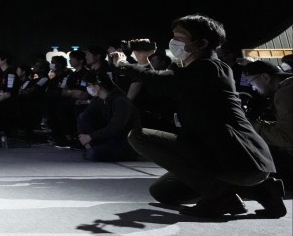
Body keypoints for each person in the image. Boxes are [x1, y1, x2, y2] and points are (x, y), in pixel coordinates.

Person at [115, 14, 284, 219]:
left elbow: (163, 82)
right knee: (163, 192)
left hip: (236, 158)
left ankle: (222, 197)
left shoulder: (210, 67)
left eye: (180, 38)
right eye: (173, 37)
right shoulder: (195, 72)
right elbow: (163, 85)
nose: (174, 42)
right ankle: (262, 191)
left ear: (202, 43)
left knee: (139, 136)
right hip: (221, 158)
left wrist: (124, 64)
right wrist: (143, 60)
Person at [242, 60, 293, 186]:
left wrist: (251, 126)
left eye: (251, 82)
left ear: (265, 77)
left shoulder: (284, 94)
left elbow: (288, 137)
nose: (253, 88)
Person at [76, 72, 140, 162]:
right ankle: (93, 148)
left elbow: (115, 128)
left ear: (98, 86)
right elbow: (83, 117)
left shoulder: (120, 101)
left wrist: (90, 137)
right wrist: (86, 141)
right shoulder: (98, 100)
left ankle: (96, 149)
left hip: (125, 141)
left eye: (90, 85)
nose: (88, 88)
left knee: (94, 154)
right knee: (83, 116)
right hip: (108, 139)